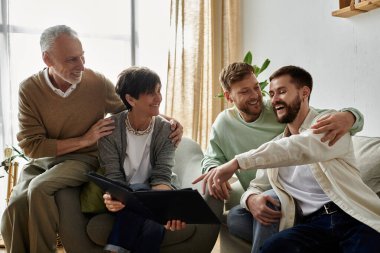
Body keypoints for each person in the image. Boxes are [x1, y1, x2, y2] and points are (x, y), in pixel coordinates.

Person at [0, 25, 183, 253]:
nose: (81, 66)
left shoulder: (95, 83)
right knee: (14, 206)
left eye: (82, 56)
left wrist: (170, 121)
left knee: (39, 189)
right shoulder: (29, 89)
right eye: (71, 60)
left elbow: (131, 106)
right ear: (47, 59)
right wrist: (85, 139)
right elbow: (30, 146)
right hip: (44, 160)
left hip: (83, 159)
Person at [197, 65, 380, 253]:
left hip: (350, 215)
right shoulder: (271, 142)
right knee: (268, 243)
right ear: (229, 97)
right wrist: (251, 197)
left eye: (282, 92)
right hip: (310, 223)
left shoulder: (329, 125)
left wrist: (351, 116)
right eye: (272, 93)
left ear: (304, 93)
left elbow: (297, 147)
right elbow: (256, 182)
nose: (272, 100)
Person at [99, 66, 186, 253]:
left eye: (159, 91)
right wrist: (113, 197)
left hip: (158, 190)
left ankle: (115, 249)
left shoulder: (167, 129)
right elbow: (113, 177)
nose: (159, 98)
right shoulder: (109, 130)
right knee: (151, 217)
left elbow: (163, 175)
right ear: (130, 99)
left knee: (147, 207)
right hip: (123, 196)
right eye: (151, 93)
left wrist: (161, 205)